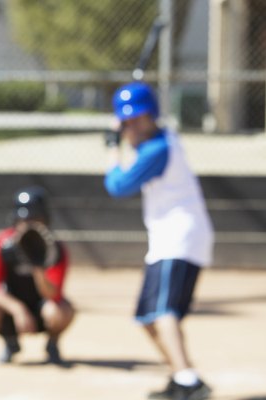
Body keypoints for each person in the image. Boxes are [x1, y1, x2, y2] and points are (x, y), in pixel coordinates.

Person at [104, 81, 214, 400]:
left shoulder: (159, 149)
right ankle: (183, 377)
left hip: (179, 238)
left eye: (139, 119)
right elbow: (137, 148)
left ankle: (188, 381)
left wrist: (113, 144)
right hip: (169, 240)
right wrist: (124, 133)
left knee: (163, 313)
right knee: (147, 317)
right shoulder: (159, 141)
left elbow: (117, 185)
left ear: (153, 116)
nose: (133, 126)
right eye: (127, 121)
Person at [0, 186, 75, 365]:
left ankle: (52, 344)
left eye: (35, 219)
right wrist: (18, 310)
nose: (29, 225)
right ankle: (10, 342)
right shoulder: (2, 244)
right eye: (24, 220)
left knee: (62, 311)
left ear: (45, 220)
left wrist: (38, 266)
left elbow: (54, 294)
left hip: (42, 307)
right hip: (11, 309)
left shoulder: (55, 249)